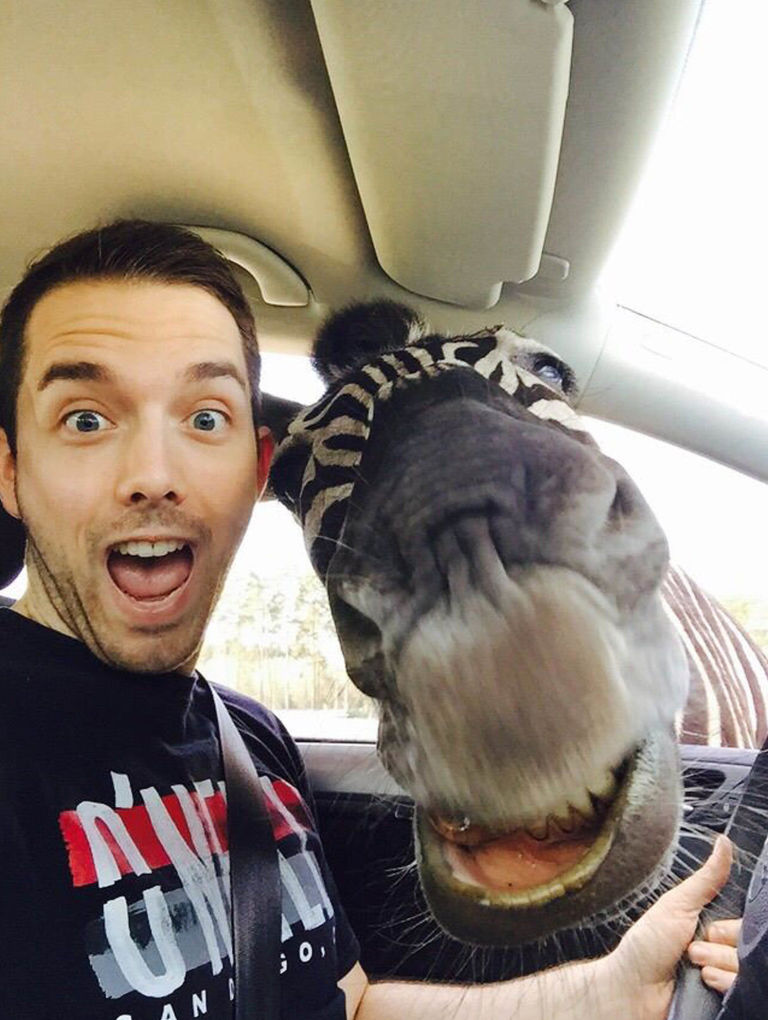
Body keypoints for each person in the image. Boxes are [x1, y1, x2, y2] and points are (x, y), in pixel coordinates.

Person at [0, 220, 740, 1019]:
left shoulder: (249, 741)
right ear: (9, 472)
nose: (153, 476)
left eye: (205, 416)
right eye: (85, 418)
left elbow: (347, 1008)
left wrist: (614, 991)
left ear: (255, 473)